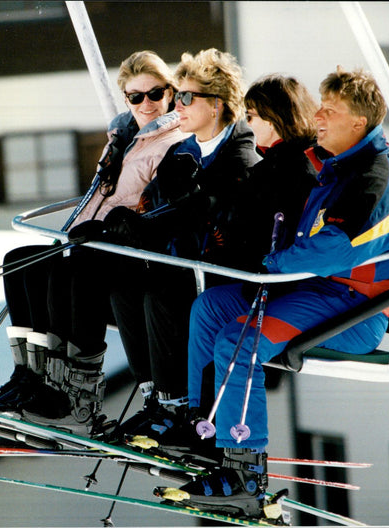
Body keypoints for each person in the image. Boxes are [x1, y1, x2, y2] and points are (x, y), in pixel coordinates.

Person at [162, 67, 389, 521]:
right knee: (210, 307)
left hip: (351, 309)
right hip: (312, 292)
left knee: (237, 342)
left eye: (330, 111)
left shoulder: (371, 179)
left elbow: (331, 249)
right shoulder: (336, 167)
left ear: (357, 123)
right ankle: (204, 434)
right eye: (319, 106)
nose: (317, 118)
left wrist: (273, 262)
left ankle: (244, 477)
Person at [0, 51, 186, 436]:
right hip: (96, 241)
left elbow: (152, 208)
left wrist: (111, 230)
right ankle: (32, 378)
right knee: (20, 260)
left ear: (170, 92)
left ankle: (77, 397)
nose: (147, 104)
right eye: (136, 97)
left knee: (70, 269)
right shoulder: (121, 138)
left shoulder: (173, 140)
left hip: (131, 251)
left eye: (155, 93)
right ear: (126, 100)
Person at [97, 49, 261, 450]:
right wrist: (135, 222)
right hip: (189, 262)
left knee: (162, 294)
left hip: (225, 274)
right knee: (124, 285)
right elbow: (156, 202)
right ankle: (154, 396)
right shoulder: (187, 151)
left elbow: (209, 217)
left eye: (186, 97)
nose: (178, 106)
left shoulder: (239, 157)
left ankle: (176, 407)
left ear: (216, 105)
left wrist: (153, 224)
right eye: (180, 96)